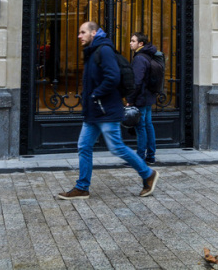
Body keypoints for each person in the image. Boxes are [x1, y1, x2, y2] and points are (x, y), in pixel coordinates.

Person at [57, 21, 159, 200]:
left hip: (105, 110)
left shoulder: (103, 50)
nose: (79, 36)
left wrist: (96, 94)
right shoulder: (92, 50)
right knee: (84, 146)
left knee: (116, 147)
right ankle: (82, 187)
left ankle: (148, 174)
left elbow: (112, 76)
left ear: (94, 33)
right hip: (94, 111)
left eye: (82, 32)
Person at [127, 32, 158, 164]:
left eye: (133, 41)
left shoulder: (139, 58)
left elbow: (137, 81)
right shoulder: (148, 55)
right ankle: (150, 156)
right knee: (148, 126)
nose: (130, 43)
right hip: (148, 96)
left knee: (141, 127)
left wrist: (130, 99)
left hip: (141, 97)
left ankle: (140, 158)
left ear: (141, 44)